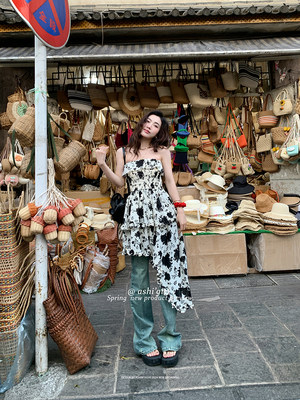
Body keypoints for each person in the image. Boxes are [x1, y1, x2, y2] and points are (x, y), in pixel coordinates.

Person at [96, 110, 193, 368]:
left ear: (160, 131)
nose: (150, 126)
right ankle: (144, 341)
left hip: (162, 214)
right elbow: (119, 182)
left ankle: (170, 338)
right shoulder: (122, 152)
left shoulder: (162, 151)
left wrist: (180, 208)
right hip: (135, 219)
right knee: (139, 281)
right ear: (140, 124)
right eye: (148, 121)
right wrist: (102, 163)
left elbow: (170, 181)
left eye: (156, 124)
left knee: (168, 275)